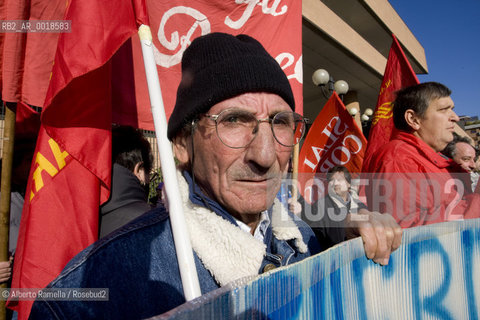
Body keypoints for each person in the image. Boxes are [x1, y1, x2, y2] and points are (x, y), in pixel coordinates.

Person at [29, 33, 401, 319]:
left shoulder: (311, 243)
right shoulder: (96, 289)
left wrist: (348, 239)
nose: (266, 155)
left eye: (281, 123)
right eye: (234, 121)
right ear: (181, 144)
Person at [365, 82, 480, 227]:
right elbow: (409, 230)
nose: (456, 117)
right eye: (444, 109)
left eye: (452, 109)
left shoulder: (435, 160)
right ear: (413, 119)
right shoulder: (397, 158)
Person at [99, 125, 153, 238]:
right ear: (139, 170)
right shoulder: (153, 222)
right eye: (149, 173)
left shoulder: (85, 219)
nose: (149, 180)